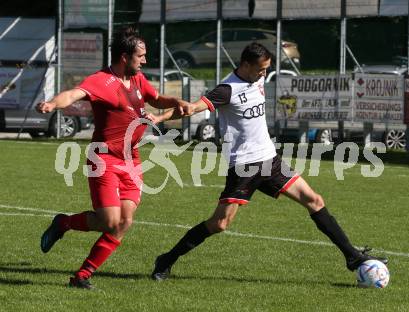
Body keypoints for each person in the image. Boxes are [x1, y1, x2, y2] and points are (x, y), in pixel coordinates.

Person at [151, 42, 388, 281]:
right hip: (244, 166)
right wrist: (162, 115)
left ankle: (353, 257)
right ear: (245, 65)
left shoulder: (258, 79)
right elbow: (193, 108)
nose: (264, 74)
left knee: (314, 200)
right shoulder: (227, 89)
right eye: (261, 69)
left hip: (269, 159)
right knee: (220, 223)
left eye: (266, 69)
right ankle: (166, 260)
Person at [37, 26, 190, 289]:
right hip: (104, 160)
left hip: (131, 160)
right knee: (109, 221)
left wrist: (177, 101)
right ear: (124, 57)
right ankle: (63, 222)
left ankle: (82, 276)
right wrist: (52, 104)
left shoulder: (138, 79)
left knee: (124, 221)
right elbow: (74, 94)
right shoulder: (101, 81)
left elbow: (157, 99)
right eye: (140, 56)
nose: (144, 60)